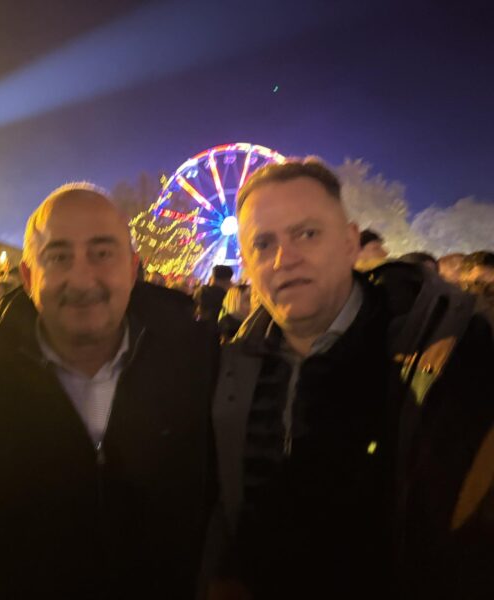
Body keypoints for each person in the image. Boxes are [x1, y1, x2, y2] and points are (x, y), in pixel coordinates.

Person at [208, 159, 494, 599]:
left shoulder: (457, 353)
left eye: (307, 234)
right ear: (246, 263)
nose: (285, 258)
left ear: (348, 244)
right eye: (263, 244)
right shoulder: (231, 365)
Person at [0, 182, 218, 599]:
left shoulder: (200, 366)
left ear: (132, 270)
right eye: (59, 257)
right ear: (28, 277)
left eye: (102, 254)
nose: (81, 279)